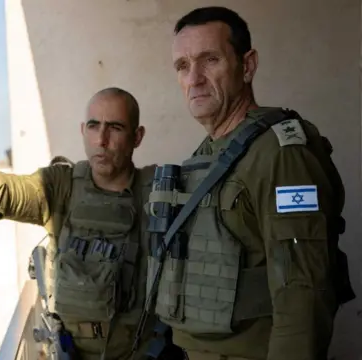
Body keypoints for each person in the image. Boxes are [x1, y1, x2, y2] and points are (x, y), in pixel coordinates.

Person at [136, 6, 355, 360]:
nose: (194, 78)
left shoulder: (280, 154)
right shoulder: (207, 153)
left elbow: (303, 293)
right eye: (182, 66)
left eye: (210, 60)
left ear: (247, 65)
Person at [0, 87, 184, 359]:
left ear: (137, 137)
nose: (102, 140)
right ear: (83, 130)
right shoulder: (61, 186)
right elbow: (14, 192)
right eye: (94, 126)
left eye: (115, 127)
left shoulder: (159, 193)